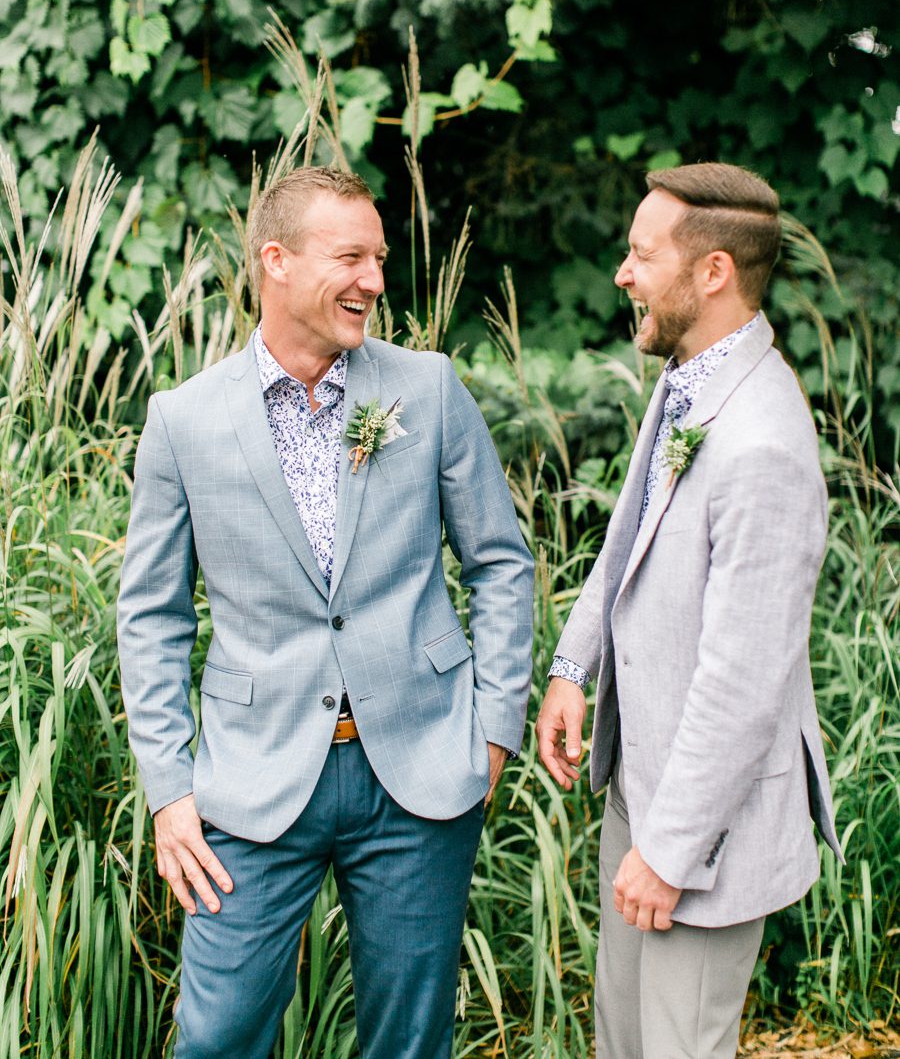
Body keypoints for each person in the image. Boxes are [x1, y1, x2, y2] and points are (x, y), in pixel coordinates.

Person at [117, 166, 534, 1059]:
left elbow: (501, 562)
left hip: (421, 772)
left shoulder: (426, 389)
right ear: (277, 260)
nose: (375, 280)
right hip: (251, 783)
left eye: (379, 258)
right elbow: (151, 617)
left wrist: (493, 727)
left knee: (409, 1041)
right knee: (217, 1037)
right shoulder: (182, 421)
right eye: (352, 256)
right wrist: (169, 791)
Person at [536, 162, 841, 1059]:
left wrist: (668, 853)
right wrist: (571, 667)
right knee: (622, 1042)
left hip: (703, 832)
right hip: (644, 781)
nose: (623, 274)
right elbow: (629, 536)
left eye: (641, 254)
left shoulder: (763, 446)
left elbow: (746, 681)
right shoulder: (687, 382)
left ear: (712, 273)